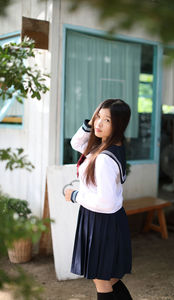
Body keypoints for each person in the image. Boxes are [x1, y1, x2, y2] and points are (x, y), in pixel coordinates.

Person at [65, 99, 133, 300]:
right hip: (104, 221)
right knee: (109, 278)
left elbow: (106, 202)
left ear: (118, 125)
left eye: (107, 120)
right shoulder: (105, 146)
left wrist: (76, 196)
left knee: (102, 280)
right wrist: (89, 124)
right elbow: (76, 142)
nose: (99, 124)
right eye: (98, 117)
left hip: (101, 221)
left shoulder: (104, 158)